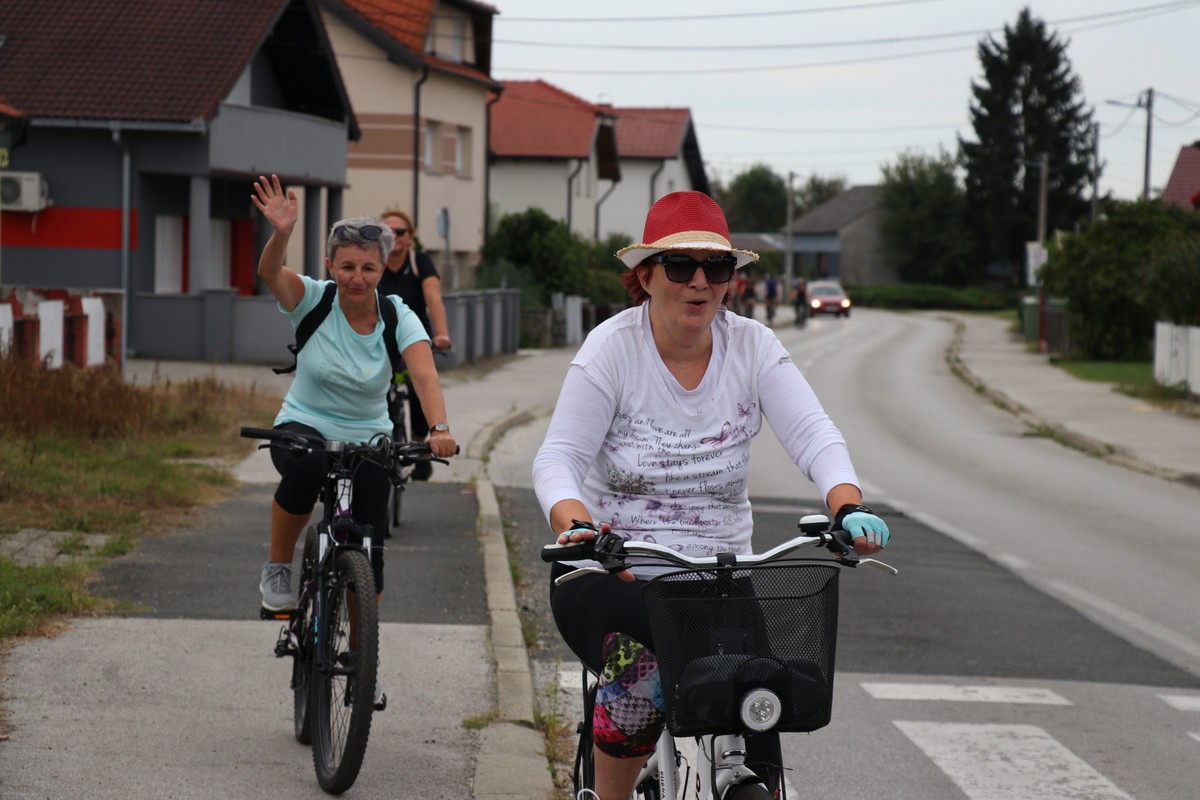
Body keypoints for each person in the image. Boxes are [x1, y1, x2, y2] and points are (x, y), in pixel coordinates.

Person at [531, 191, 889, 800]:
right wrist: (577, 526)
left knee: (760, 704)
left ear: (730, 282)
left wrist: (846, 504)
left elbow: (813, 434)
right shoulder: (612, 350)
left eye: (716, 267)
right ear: (644, 276)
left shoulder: (752, 347)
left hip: (715, 577)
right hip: (615, 571)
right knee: (640, 681)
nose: (699, 281)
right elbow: (558, 457)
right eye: (680, 266)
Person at [250, 174, 458, 621]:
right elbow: (269, 272)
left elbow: (425, 376)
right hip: (303, 426)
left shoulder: (395, 314)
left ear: (382, 270)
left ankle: (364, 666)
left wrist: (439, 427)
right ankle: (278, 569)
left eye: (368, 268)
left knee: (370, 561)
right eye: (347, 267)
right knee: (307, 467)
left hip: (369, 439)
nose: (357, 278)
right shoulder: (313, 300)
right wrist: (281, 234)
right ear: (330, 266)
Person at [378, 209, 453, 481]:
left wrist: (442, 333)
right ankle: (380, 442)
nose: (395, 237)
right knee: (378, 388)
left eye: (401, 232)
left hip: (415, 337)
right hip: (379, 339)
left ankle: (421, 446)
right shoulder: (374, 262)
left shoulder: (420, 262)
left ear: (410, 237)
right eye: (388, 231)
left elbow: (433, 299)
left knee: (419, 387)